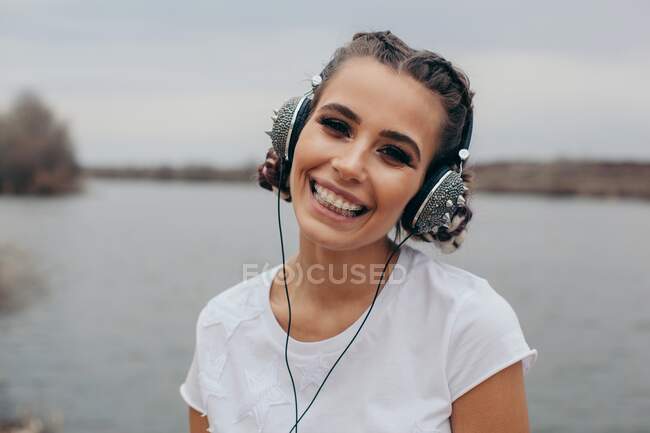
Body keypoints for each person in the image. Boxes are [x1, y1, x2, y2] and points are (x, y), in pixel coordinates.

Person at [180, 30, 538, 433]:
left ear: (427, 193)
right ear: (294, 131)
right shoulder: (221, 324)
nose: (349, 166)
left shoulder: (468, 325)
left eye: (394, 153)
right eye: (336, 125)